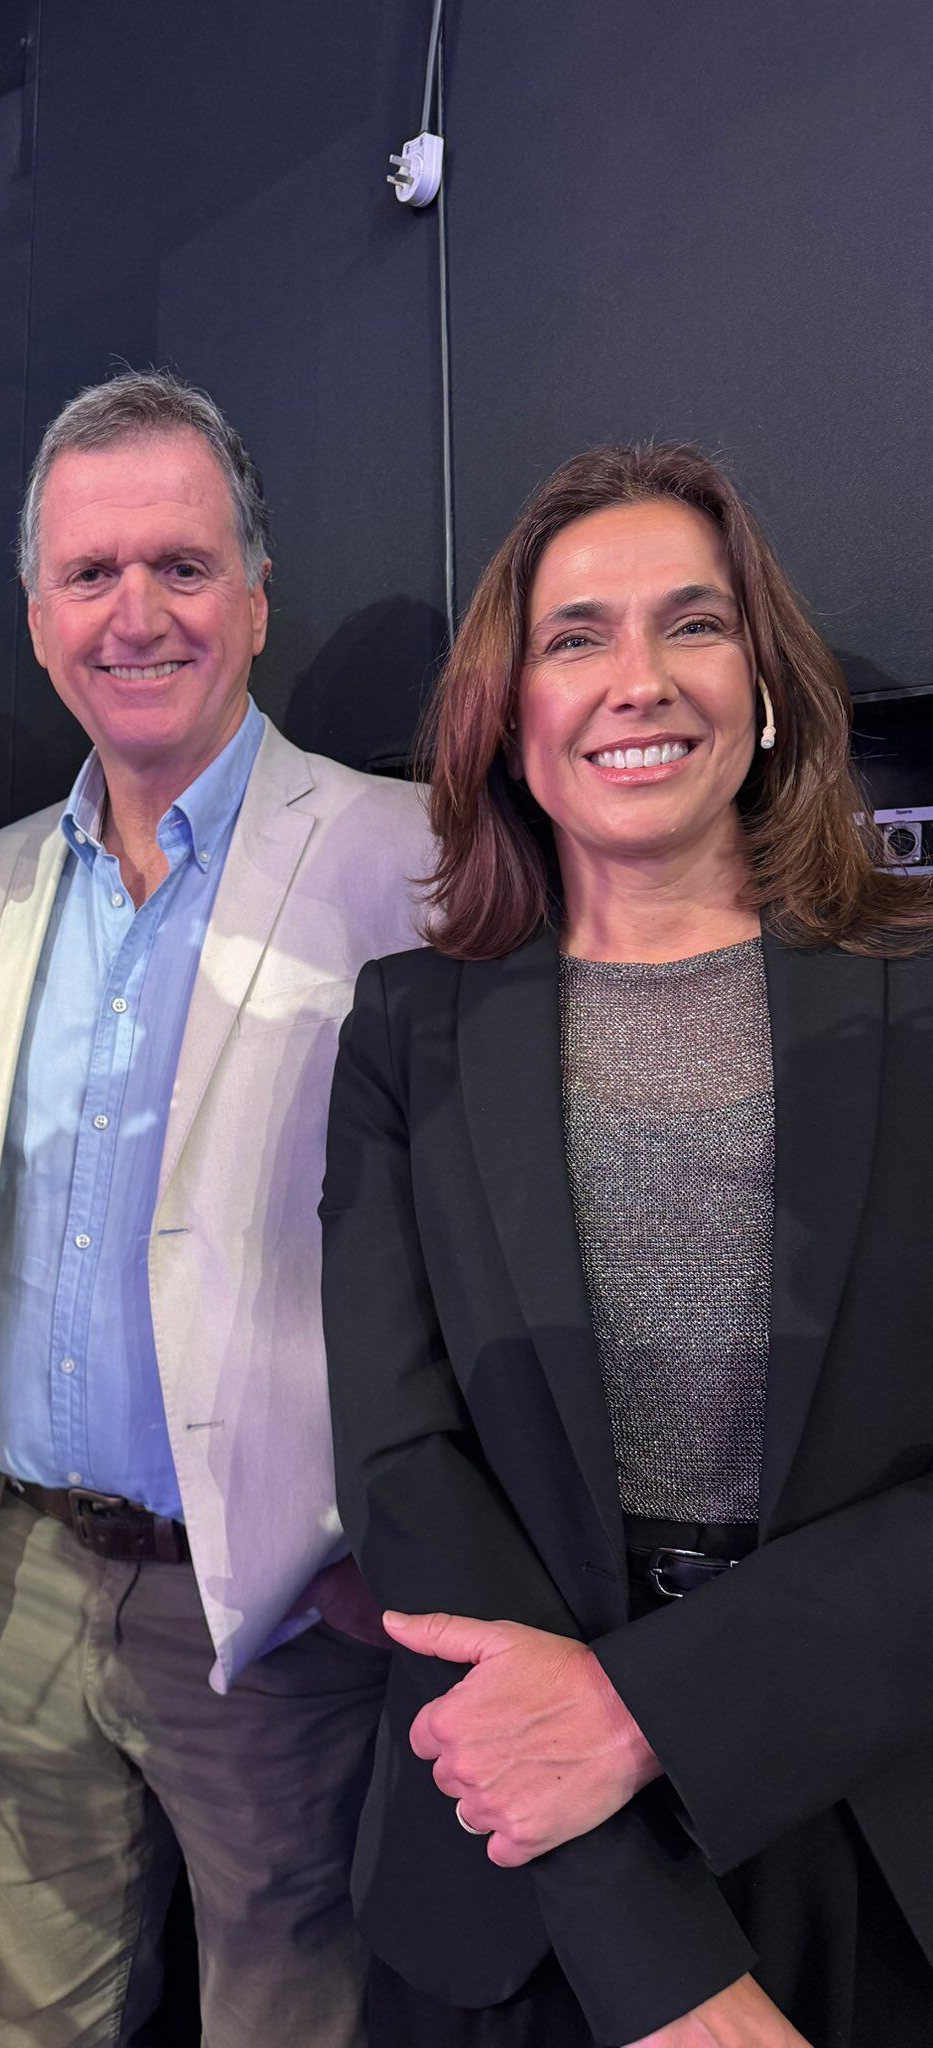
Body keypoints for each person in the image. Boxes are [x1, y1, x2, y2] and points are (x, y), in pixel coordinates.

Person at [321, 440, 933, 2047]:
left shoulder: (919, 1001)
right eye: (575, 637)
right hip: (516, 1872)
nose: (638, 680)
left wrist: (658, 1711)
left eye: (695, 623)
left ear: (768, 685)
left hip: (869, 1828)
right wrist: (650, 1948)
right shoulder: (409, 1030)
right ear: (508, 716)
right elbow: (402, 1466)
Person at [0, 370, 435, 2045]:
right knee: (26, 2015)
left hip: (271, 1604)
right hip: (18, 1571)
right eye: (90, 574)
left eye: (182, 566)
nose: (137, 614)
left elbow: (474, 1247)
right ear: (37, 618)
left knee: (294, 2015)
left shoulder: (410, 861)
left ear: (255, 597)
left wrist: (373, 1558)